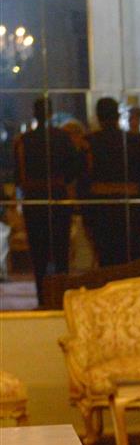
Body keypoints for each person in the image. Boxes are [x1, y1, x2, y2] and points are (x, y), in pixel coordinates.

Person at [12, 97, 81, 302]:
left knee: (39, 252)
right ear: (51, 114)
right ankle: (61, 297)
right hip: (58, 197)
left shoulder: (24, 140)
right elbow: (74, 168)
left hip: (35, 199)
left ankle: (42, 297)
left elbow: (18, 175)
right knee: (60, 250)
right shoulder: (62, 137)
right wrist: (62, 181)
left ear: (35, 114)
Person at [85, 96, 140, 266]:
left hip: (102, 210)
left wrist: (87, 219)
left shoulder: (89, 143)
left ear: (99, 117)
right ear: (117, 115)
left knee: (107, 264)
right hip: (131, 210)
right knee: (130, 262)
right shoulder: (137, 141)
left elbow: (84, 182)